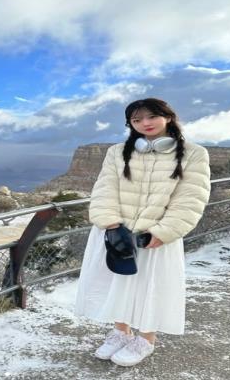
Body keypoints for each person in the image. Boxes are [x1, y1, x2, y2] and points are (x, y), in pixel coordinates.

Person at [74, 97, 211, 367]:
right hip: (116, 232)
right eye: (136, 120)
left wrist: (164, 231)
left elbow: (190, 199)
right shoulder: (117, 152)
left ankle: (146, 339)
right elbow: (104, 189)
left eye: (151, 117)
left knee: (152, 287)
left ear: (168, 117)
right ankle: (120, 332)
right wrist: (111, 224)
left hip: (155, 237)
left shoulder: (194, 153)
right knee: (118, 281)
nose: (145, 123)